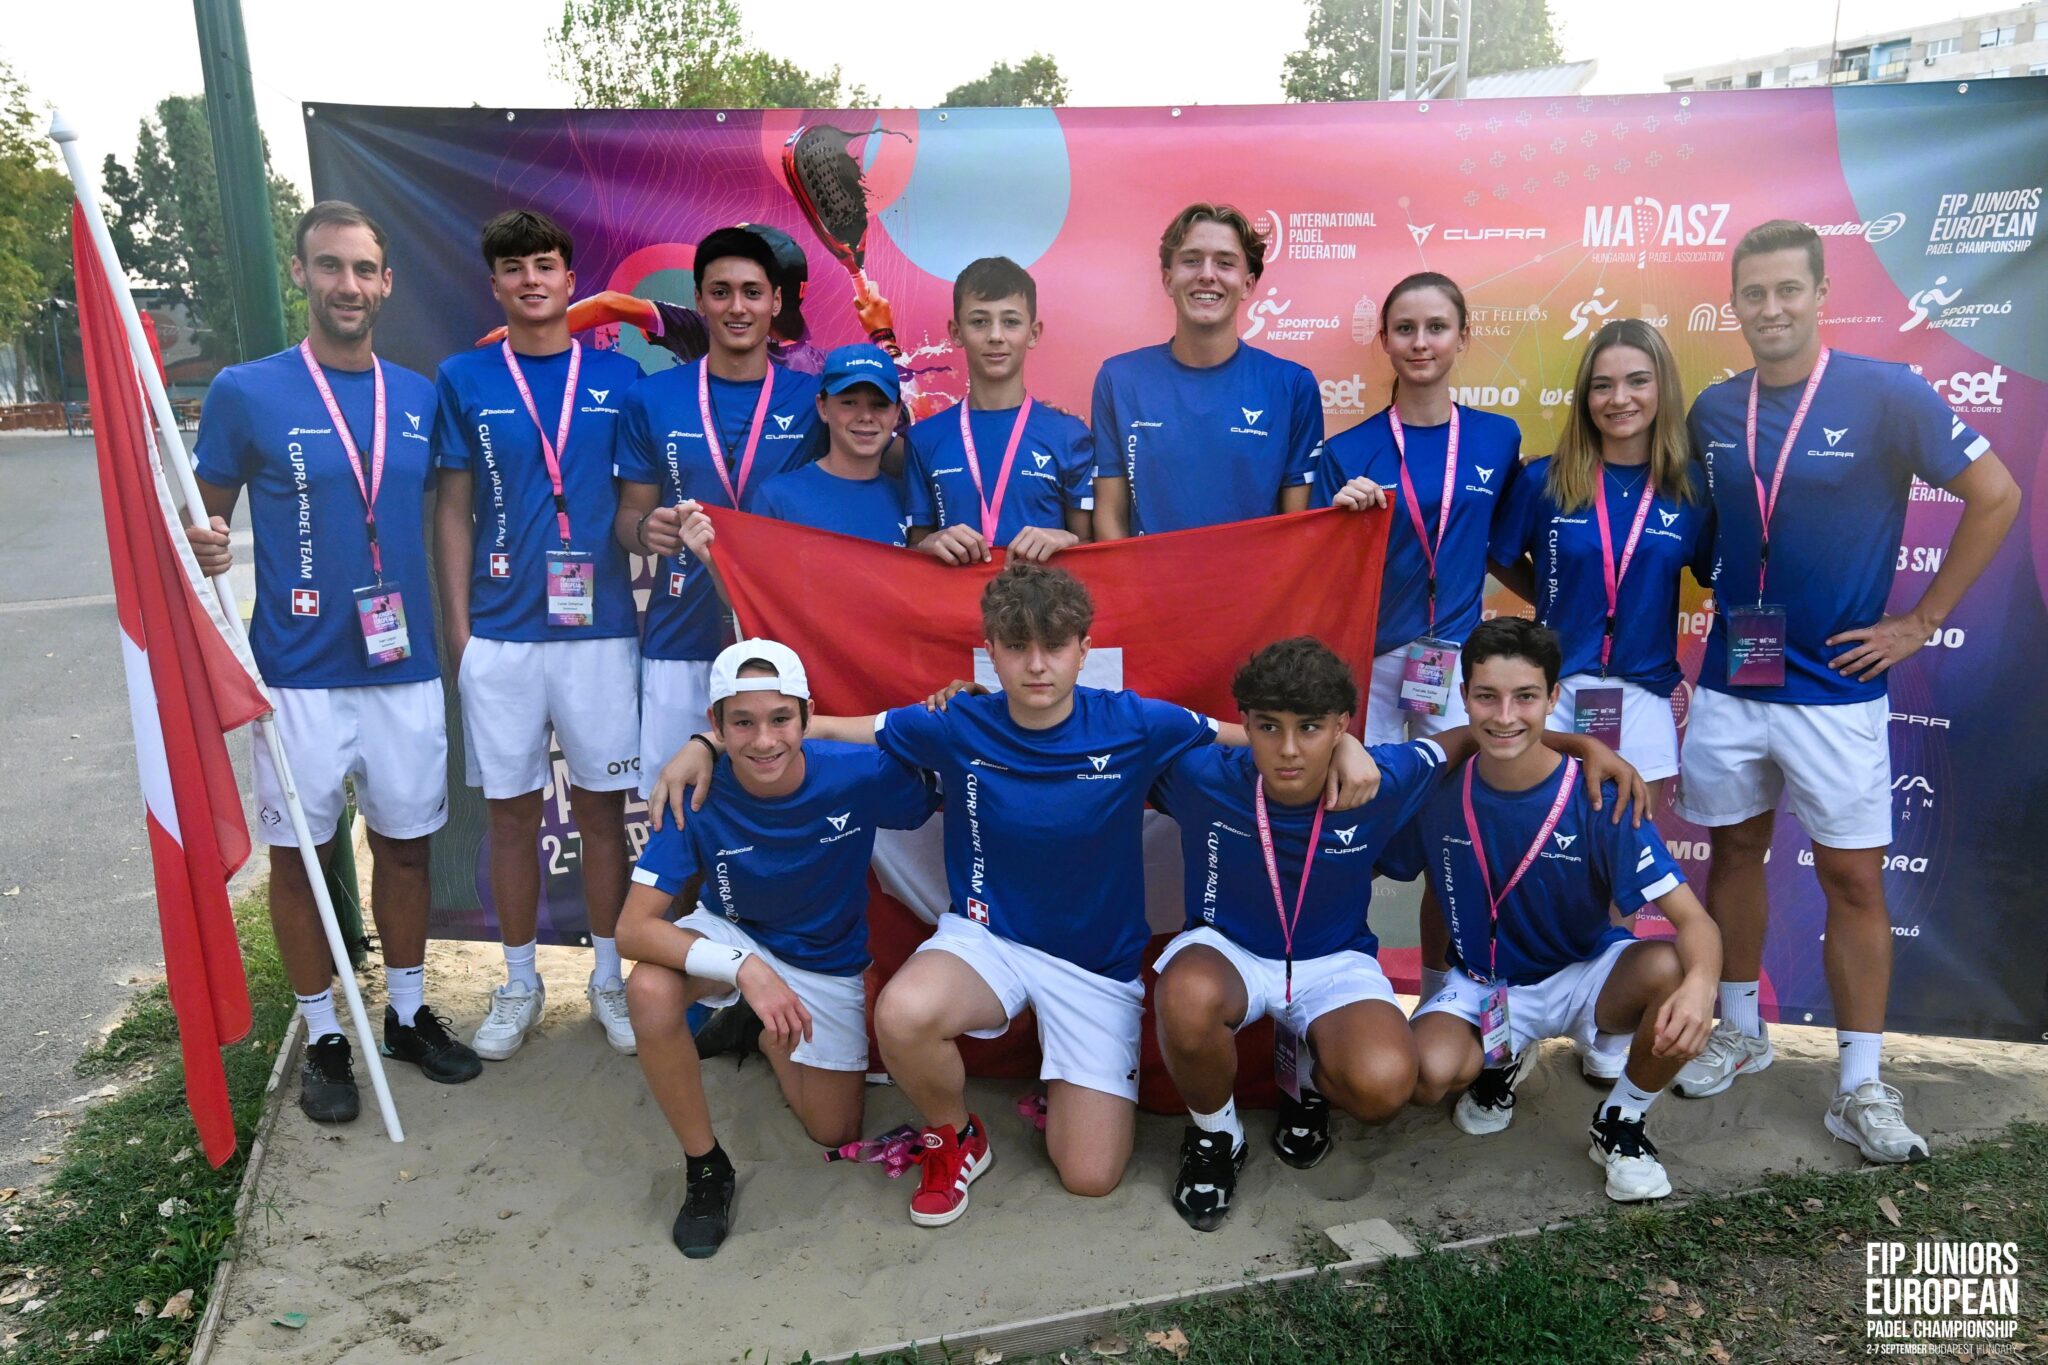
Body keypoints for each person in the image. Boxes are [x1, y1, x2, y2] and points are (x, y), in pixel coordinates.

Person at [651, 562, 1382, 1227]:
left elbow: (1247, 735)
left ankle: (1064, 1095)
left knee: (1090, 1177)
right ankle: (955, 1137)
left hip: (1095, 966)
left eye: (1054, 646)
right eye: (1017, 647)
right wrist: (707, 743)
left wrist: (1347, 744)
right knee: (902, 1014)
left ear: (1083, 650)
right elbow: (821, 726)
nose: (1036, 664)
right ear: (991, 652)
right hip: (987, 938)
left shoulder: (1135, 720)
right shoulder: (958, 720)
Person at [1669, 219, 2019, 1162]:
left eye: (1789, 289)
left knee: (1854, 880)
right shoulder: (1714, 408)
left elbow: (1997, 495)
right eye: (1754, 293)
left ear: (1822, 294)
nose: (1771, 308)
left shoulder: (1887, 391)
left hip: (1837, 688)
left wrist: (1921, 619)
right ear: (1734, 303)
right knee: (1733, 852)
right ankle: (1742, 1031)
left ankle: (1860, 1083)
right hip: (1735, 679)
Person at [1148, 636, 1649, 1229]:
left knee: (1384, 1086)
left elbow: (1474, 736)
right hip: (1229, 950)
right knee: (1187, 993)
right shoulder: (1199, 774)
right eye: (1268, 727)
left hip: (1334, 962)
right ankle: (1216, 1137)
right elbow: (1109, 748)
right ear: (1245, 724)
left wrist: (1583, 744)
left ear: (1341, 725)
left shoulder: (1386, 776)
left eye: (1310, 728)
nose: (1288, 749)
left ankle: (1306, 1085)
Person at [185, 200, 481, 1122]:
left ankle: (405, 1014)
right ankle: (321, 1033)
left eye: (362, 269)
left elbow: (450, 513)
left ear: (386, 282)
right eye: (329, 266)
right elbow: (201, 514)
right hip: (296, 674)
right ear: (301, 274)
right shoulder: (246, 390)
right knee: (303, 861)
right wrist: (202, 540)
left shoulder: (420, 396)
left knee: (406, 847)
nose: (346, 285)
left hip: (403, 670)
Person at [1382, 618, 1722, 1203]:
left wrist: (1702, 986)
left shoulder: (1599, 793)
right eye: (1487, 696)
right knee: (1426, 1075)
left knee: (1672, 970)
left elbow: (1695, 922)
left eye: (1525, 697)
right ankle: (1502, 1058)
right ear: (1463, 697)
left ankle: (1621, 1120)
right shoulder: (1437, 788)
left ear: (1553, 698)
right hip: (1486, 981)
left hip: (1584, 976)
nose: (1504, 715)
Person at [617, 640, 938, 1257]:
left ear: (806, 716)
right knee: (649, 989)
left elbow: (942, 773)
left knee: (834, 1130)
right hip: (735, 934)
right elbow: (632, 929)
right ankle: (706, 1168)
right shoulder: (696, 788)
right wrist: (745, 968)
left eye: (780, 719)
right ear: (715, 726)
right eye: (742, 722)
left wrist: (960, 706)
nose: (763, 740)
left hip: (825, 957)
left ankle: (762, 1032)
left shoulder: (857, 771)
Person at [432, 209, 645, 1060]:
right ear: (495, 285)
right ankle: (519, 981)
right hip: (502, 633)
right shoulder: (464, 376)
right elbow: (452, 506)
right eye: (514, 267)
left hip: (600, 633)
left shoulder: (620, 378)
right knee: (512, 817)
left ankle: (610, 977)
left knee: (602, 814)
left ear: (569, 280)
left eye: (545, 265)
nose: (531, 280)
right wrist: (459, 630)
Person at [1486, 319, 1712, 1086]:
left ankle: (1602, 1020)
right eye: (1604, 384)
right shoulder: (1546, 480)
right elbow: (1502, 556)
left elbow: (1715, 568)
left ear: (1661, 389)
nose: (1620, 398)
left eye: (1637, 381)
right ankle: (1519, 1016)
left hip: (1642, 697)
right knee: (1529, 850)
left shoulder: (1690, 488)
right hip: (1557, 695)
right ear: (1585, 395)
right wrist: (1553, 612)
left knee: (1622, 863)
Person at [1312, 271, 1525, 1006]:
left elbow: (1506, 547)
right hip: (1369, 666)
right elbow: (1318, 574)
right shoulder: (1348, 451)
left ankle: (1450, 999)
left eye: (1437, 327)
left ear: (1463, 337)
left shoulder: (1497, 437)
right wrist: (1341, 520)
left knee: (1462, 836)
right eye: (1405, 328)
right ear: (1385, 341)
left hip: (1455, 665)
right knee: (1352, 827)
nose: (1421, 342)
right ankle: (1337, 987)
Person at [614, 227, 830, 806]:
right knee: (678, 815)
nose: (737, 307)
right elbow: (629, 518)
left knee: (784, 812)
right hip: (680, 639)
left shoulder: (814, 400)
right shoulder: (651, 398)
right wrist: (646, 531)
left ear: (776, 301)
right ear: (699, 300)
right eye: (721, 291)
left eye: (752, 292)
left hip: (784, 646)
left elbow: (881, 461)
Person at [1090, 203, 1324, 538]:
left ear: (1248, 284)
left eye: (1225, 263)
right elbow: (1110, 515)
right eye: (1192, 260)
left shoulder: (1292, 385)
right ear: (1168, 279)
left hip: (1254, 575)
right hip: (1149, 574)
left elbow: (1297, 527)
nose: (1207, 274)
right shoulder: (1119, 380)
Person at [906, 257, 1093, 566]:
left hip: (1042, 597)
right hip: (953, 598)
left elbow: (1091, 547)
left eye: (1011, 321)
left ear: (1033, 333)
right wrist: (927, 544)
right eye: (979, 321)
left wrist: (1069, 540)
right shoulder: (923, 439)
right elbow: (912, 553)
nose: (995, 335)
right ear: (956, 332)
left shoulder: (1069, 435)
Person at [747, 343, 911, 545]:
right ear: (823, 407)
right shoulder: (778, 498)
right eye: (849, 402)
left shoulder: (912, 500)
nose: (866, 416)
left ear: (897, 413)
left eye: (880, 404)